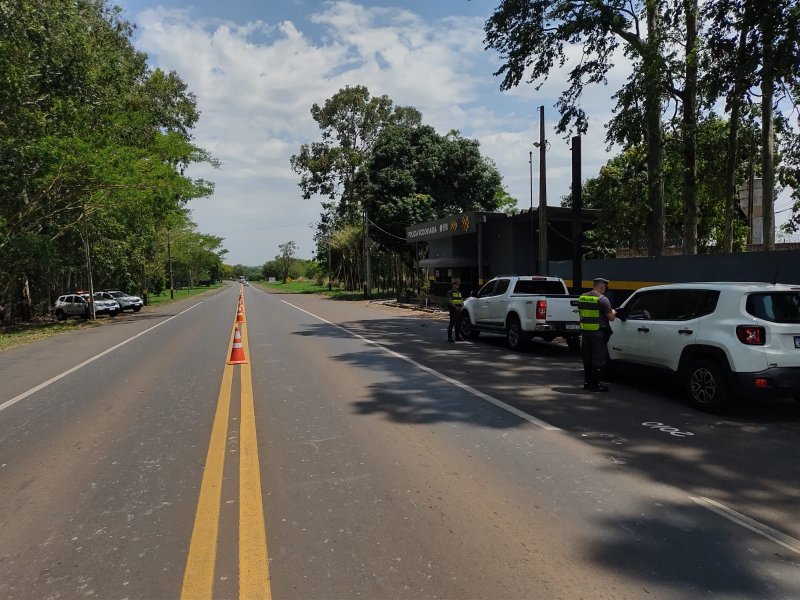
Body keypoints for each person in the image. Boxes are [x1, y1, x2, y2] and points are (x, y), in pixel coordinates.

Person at [578, 277, 616, 392]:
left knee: (587, 358)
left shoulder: (582, 297)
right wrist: (614, 311)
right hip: (598, 333)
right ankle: (595, 385)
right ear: (601, 286)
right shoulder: (602, 299)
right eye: (605, 287)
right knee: (598, 359)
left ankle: (587, 383)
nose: (605, 289)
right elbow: (611, 317)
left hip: (585, 333)